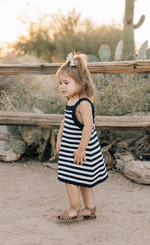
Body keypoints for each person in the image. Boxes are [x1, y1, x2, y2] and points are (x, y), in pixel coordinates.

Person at [55, 52, 108, 222]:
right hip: (70, 148)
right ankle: (90, 209)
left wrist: (81, 149)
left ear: (81, 82)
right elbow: (65, 121)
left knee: (70, 178)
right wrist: (59, 137)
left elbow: (89, 126)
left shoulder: (84, 103)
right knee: (83, 178)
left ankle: (73, 209)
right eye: (60, 83)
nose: (62, 87)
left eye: (66, 83)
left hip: (80, 150)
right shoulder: (70, 99)